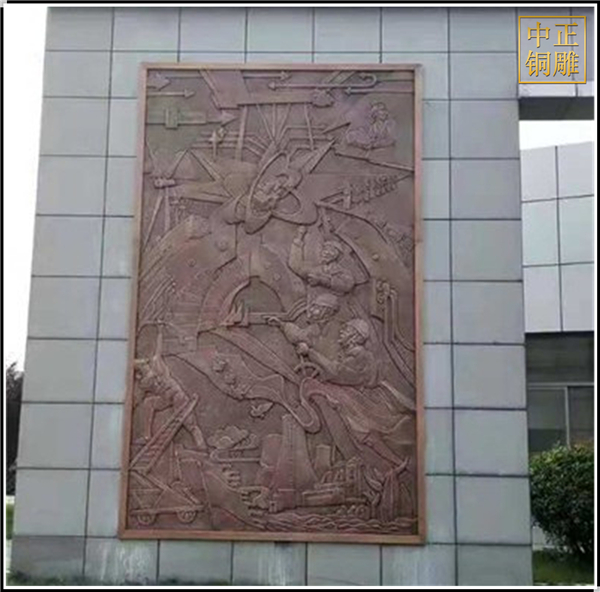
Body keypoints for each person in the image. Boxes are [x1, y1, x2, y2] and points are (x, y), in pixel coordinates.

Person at [288, 227, 355, 295]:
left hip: (332, 300)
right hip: (313, 299)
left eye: (332, 251)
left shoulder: (339, 270)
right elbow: (296, 266)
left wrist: (322, 280)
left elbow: (347, 285)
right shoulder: (315, 268)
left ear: (336, 256)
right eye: (326, 249)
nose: (327, 252)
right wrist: (298, 239)